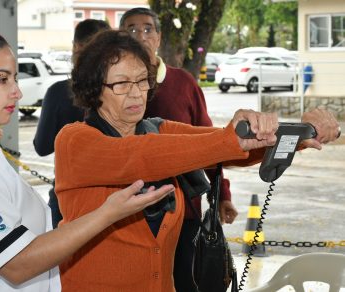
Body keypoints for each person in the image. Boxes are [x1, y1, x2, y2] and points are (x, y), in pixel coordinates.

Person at [54, 29, 340, 291]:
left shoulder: (158, 129)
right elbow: (140, 157)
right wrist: (230, 139)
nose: (135, 92)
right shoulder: (75, 141)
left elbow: (224, 148)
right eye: (121, 83)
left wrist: (298, 135)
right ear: (94, 89)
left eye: (142, 80)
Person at [0, 11, 175, 291]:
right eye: (1, 78)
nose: (17, 92)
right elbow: (17, 263)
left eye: (15, 78)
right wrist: (108, 214)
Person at [119, 8, 237, 291]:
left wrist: (223, 194)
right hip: (128, 213)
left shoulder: (182, 82)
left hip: (185, 211)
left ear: (158, 37)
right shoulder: (110, 84)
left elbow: (210, 142)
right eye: (131, 29)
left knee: (185, 281)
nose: (140, 35)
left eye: (148, 29)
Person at [34, 19, 110, 228]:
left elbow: (41, 147)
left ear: (76, 47)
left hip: (68, 195)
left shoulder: (59, 92)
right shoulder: (119, 91)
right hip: (113, 197)